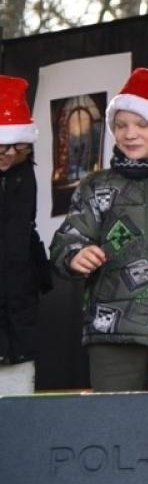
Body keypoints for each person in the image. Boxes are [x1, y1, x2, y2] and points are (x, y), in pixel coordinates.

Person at [50, 69, 148, 392]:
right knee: (114, 427)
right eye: (121, 125)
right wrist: (74, 254)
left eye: (142, 124)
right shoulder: (96, 185)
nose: (129, 134)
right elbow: (67, 238)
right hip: (114, 332)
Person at [0, 75, 51, 396]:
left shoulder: (24, 175)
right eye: (1, 147)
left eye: (17, 147)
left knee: (18, 411)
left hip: (18, 306)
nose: (7, 154)